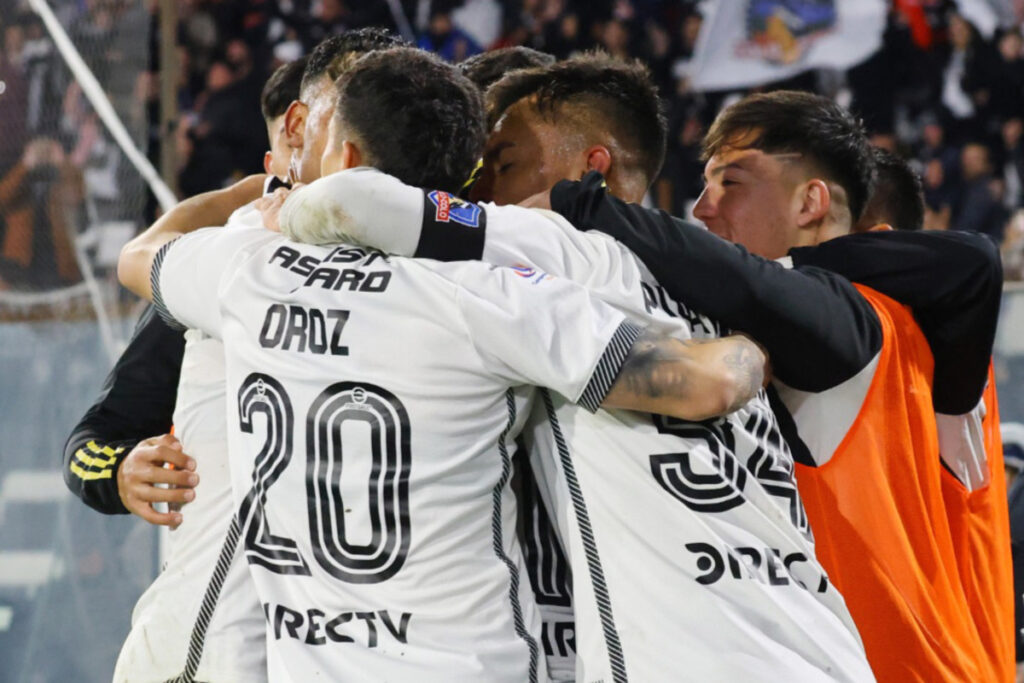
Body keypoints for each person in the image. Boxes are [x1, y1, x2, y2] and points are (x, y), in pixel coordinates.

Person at [117, 46, 768, 682]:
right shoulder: (495, 296)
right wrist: (750, 342)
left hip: (285, 656)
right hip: (477, 658)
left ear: (344, 158)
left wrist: (252, 197)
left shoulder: (247, 264)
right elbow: (708, 382)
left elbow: (140, 256)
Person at [272, 54, 875, 682]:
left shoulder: (561, 249)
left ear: (592, 170)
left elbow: (354, 201)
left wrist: (276, 211)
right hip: (822, 645)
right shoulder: (730, 285)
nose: (481, 188)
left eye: (501, 165)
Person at [63, 30, 404, 683]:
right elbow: (90, 441)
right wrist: (120, 471)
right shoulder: (216, 274)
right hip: (222, 645)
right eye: (287, 143)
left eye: (317, 137)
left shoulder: (441, 274)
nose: (295, 168)